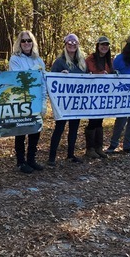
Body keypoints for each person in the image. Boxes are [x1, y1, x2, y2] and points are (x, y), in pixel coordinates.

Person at [8, 30, 46, 173]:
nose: (26, 43)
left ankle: (31, 159)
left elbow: (43, 82)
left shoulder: (39, 60)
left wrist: (43, 102)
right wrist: (33, 72)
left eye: (29, 40)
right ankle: (20, 161)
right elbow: (18, 78)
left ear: (33, 42)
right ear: (19, 43)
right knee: (21, 130)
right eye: (23, 41)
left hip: (36, 100)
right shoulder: (15, 59)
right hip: (21, 99)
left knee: (35, 130)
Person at [47, 33, 86, 166]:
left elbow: (86, 79)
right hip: (63, 102)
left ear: (78, 45)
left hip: (77, 101)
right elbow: (51, 80)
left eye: (74, 43)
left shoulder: (81, 62)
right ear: (65, 45)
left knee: (74, 128)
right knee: (60, 128)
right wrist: (60, 75)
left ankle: (70, 154)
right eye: (69, 43)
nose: (72, 45)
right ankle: (52, 157)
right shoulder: (59, 61)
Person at [83, 36, 113, 159]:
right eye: (102, 44)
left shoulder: (109, 60)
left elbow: (111, 73)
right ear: (98, 46)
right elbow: (86, 73)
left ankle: (98, 147)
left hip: (103, 96)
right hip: (92, 95)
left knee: (100, 120)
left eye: (106, 45)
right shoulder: (90, 59)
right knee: (93, 120)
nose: (104, 47)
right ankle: (90, 148)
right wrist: (99, 74)